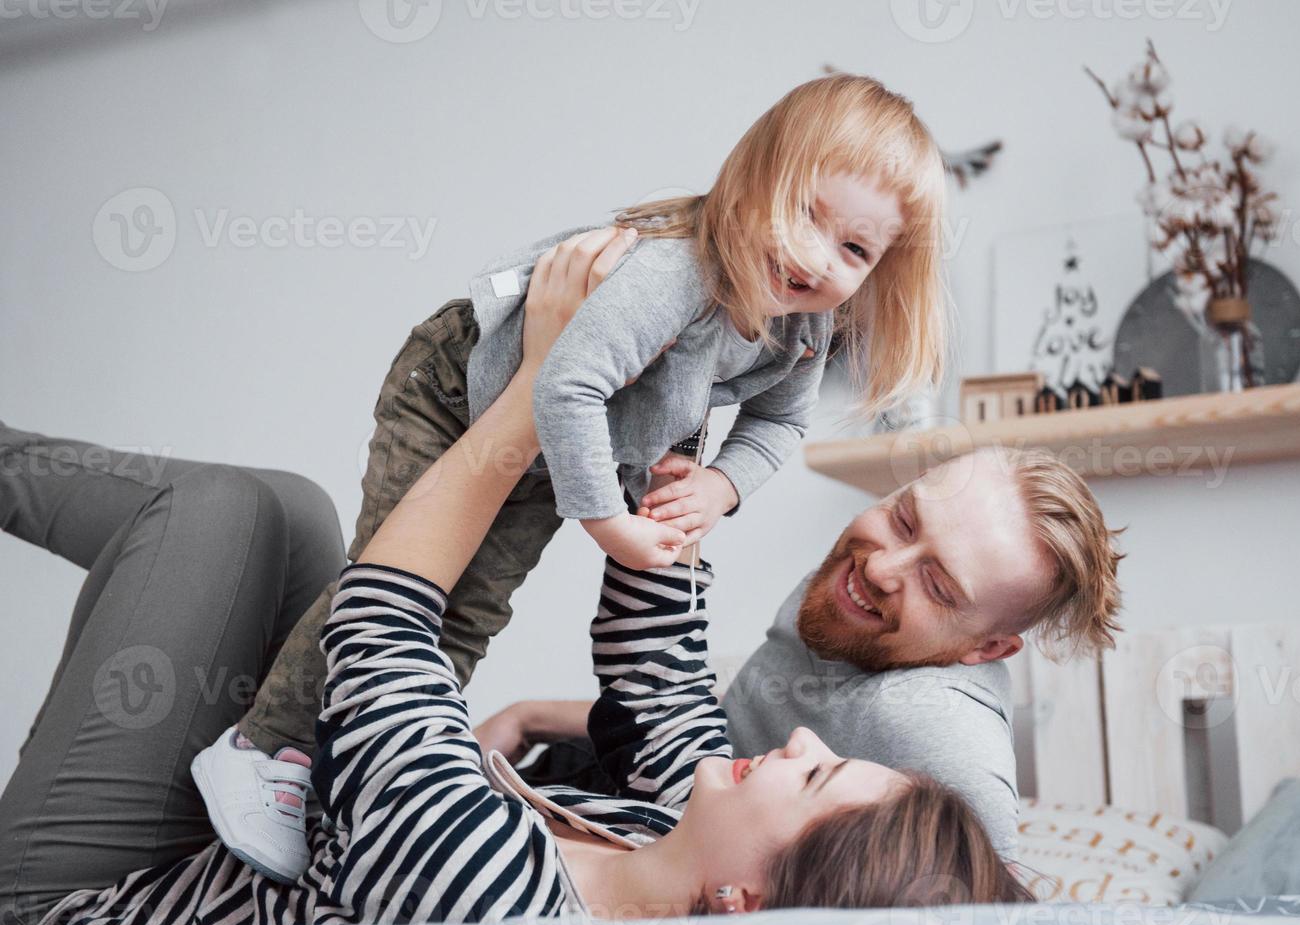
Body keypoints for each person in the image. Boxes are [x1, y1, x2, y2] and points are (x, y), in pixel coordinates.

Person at [0, 232, 1030, 925]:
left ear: (744, 902)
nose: (802, 743)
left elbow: (384, 628)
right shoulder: (665, 837)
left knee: (222, 512)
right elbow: (661, 678)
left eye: (812, 777)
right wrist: (674, 403)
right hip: (240, 816)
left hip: (91, 902)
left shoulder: (488, 901)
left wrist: (543, 382)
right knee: (292, 509)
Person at [193, 72, 955, 883]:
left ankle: (340, 763)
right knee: (396, 584)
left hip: (551, 453)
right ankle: (262, 748)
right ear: (755, 177)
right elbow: (566, 384)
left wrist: (721, 487)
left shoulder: (804, 328)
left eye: (854, 250)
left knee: (472, 612)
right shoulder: (678, 276)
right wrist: (608, 523)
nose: (816, 257)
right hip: (456, 395)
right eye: (807, 214)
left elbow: (778, 423)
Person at [480, 445, 1125, 861]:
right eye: (904, 519)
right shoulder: (852, 590)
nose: (882, 568)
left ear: (985, 648)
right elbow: (704, 716)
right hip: (646, 774)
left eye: (938, 585)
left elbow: (997, 919)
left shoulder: (934, 722)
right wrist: (529, 715)